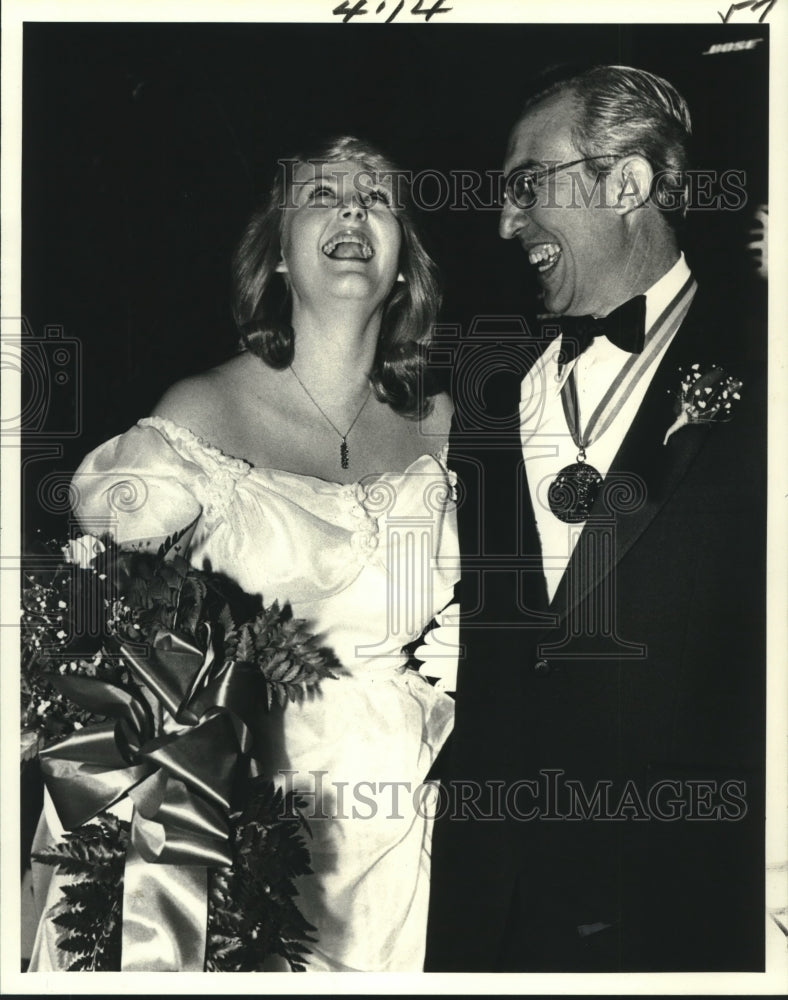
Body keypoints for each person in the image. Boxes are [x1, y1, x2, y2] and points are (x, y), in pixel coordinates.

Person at [29, 136, 458, 972]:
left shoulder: (444, 429)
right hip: (213, 820)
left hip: (397, 836)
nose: (352, 210)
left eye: (378, 197)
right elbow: (83, 631)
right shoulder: (200, 414)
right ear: (280, 260)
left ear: (405, 267)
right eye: (322, 194)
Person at [426, 66, 766, 972]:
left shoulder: (765, 367)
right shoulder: (486, 396)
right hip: (489, 917)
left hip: (692, 914)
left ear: (629, 183)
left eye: (527, 185)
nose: (505, 223)